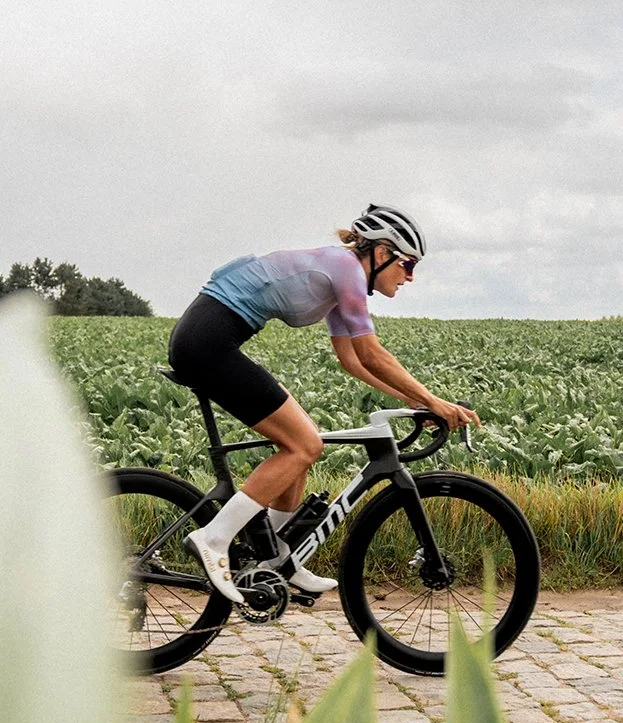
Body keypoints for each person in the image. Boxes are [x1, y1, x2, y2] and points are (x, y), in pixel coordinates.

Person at [169, 204, 481, 604]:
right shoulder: (347, 269)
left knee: (302, 441)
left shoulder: (341, 280)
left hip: (210, 339)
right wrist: (434, 401)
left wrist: (413, 402)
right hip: (206, 342)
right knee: (304, 444)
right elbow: (372, 353)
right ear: (381, 252)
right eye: (407, 263)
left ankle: (275, 558)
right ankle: (213, 538)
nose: (410, 276)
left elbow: (351, 360)